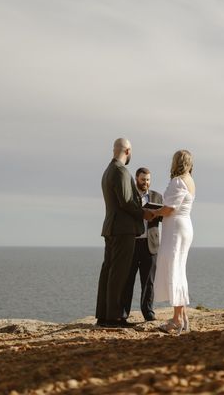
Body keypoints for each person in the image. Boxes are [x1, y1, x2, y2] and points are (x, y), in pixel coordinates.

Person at [95, 138, 154, 328]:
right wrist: (144, 213)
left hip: (111, 228)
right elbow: (127, 201)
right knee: (118, 274)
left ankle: (103, 315)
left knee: (109, 272)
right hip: (123, 230)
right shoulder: (120, 171)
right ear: (127, 151)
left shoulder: (107, 171)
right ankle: (114, 318)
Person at [152, 150, 196, 335]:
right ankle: (183, 316)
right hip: (183, 226)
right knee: (178, 269)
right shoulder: (190, 181)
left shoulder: (178, 181)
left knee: (174, 270)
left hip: (176, 229)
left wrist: (154, 212)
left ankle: (176, 320)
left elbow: (170, 209)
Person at [121, 167, 163, 322]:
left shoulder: (157, 197)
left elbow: (163, 218)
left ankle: (148, 312)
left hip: (150, 244)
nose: (146, 182)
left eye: (148, 180)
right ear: (136, 179)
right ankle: (123, 313)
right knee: (128, 280)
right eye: (142, 179)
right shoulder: (129, 197)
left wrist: (156, 214)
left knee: (148, 282)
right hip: (132, 243)